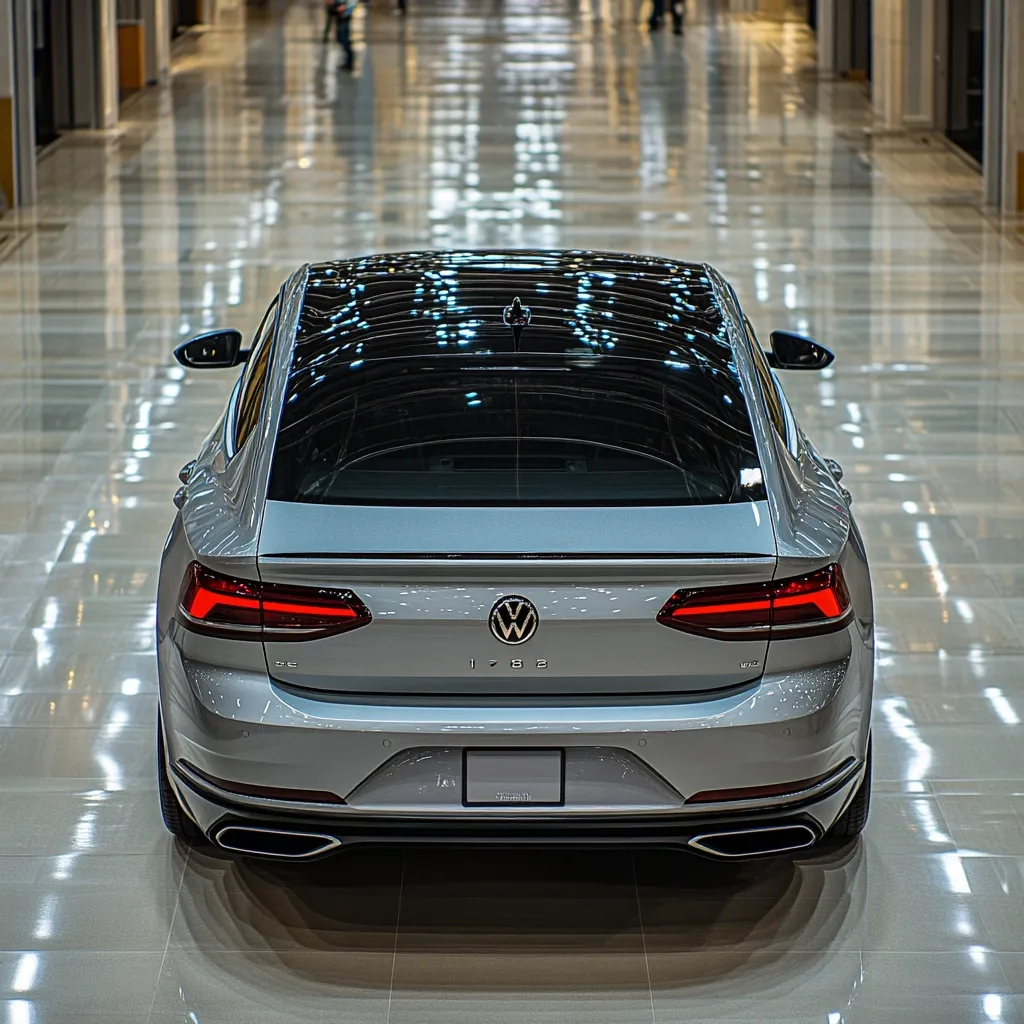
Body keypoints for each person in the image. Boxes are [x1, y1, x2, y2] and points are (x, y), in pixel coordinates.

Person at [330, 0, 359, 70]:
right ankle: (347, 61)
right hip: (341, 18)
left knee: (345, 41)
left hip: (344, 18)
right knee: (341, 39)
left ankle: (349, 63)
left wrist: (346, 9)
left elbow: (352, 3)